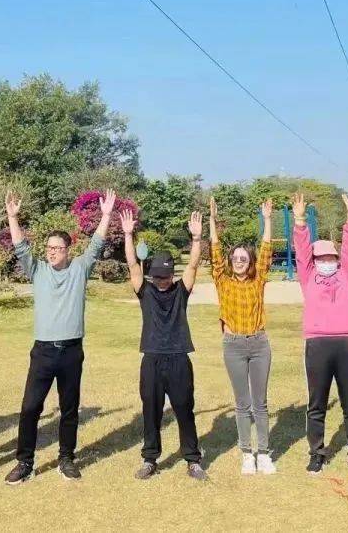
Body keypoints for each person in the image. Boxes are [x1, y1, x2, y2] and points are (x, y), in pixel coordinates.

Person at [4, 190, 117, 485]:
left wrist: (105, 215)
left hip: (71, 352)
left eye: (58, 247)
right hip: (42, 352)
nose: (52, 251)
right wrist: (13, 217)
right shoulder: (38, 270)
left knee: (69, 408)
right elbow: (20, 247)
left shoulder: (80, 268)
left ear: (68, 249)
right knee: (30, 407)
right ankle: (24, 462)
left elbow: (97, 244)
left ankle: (66, 458)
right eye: (49, 247)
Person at [122, 208, 207, 481]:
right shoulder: (144, 291)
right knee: (151, 411)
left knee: (184, 408)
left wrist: (196, 240)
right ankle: (150, 459)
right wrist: (127, 234)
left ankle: (193, 460)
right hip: (152, 359)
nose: (161, 281)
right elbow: (133, 266)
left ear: (172, 274)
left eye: (165, 276)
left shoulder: (181, 292)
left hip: (179, 358)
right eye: (157, 277)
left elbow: (193, 266)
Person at [293, 193, 348, 474]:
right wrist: (300, 221)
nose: (327, 260)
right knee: (317, 404)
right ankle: (317, 453)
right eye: (321, 256)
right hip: (317, 343)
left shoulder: (345, 273)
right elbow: (301, 250)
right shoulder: (308, 275)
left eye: (331, 256)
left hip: (347, 342)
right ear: (314, 259)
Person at [208, 195, 274, 475]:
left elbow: (267, 249)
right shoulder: (222, 281)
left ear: (250, 262)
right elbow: (214, 252)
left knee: (260, 403)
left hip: (259, 344)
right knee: (242, 403)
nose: (238, 262)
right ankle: (247, 452)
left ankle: (264, 454)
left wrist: (268, 220)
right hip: (233, 346)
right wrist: (212, 221)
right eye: (234, 258)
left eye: (243, 259)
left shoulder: (258, 280)